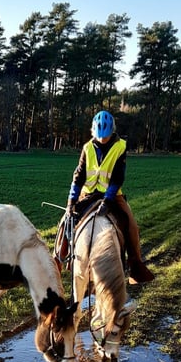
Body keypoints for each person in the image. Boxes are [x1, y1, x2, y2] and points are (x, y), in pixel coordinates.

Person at [66, 110, 154, 284]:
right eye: (99, 137)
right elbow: (79, 175)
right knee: (65, 220)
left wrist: (108, 200)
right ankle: (60, 258)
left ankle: (135, 265)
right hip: (88, 192)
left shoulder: (121, 146)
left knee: (131, 225)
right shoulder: (87, 148)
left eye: (105, 137)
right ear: (93, 132)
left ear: (112, 131)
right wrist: (71, 201)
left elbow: (118, 177)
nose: (102, 140)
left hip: (112, 194)